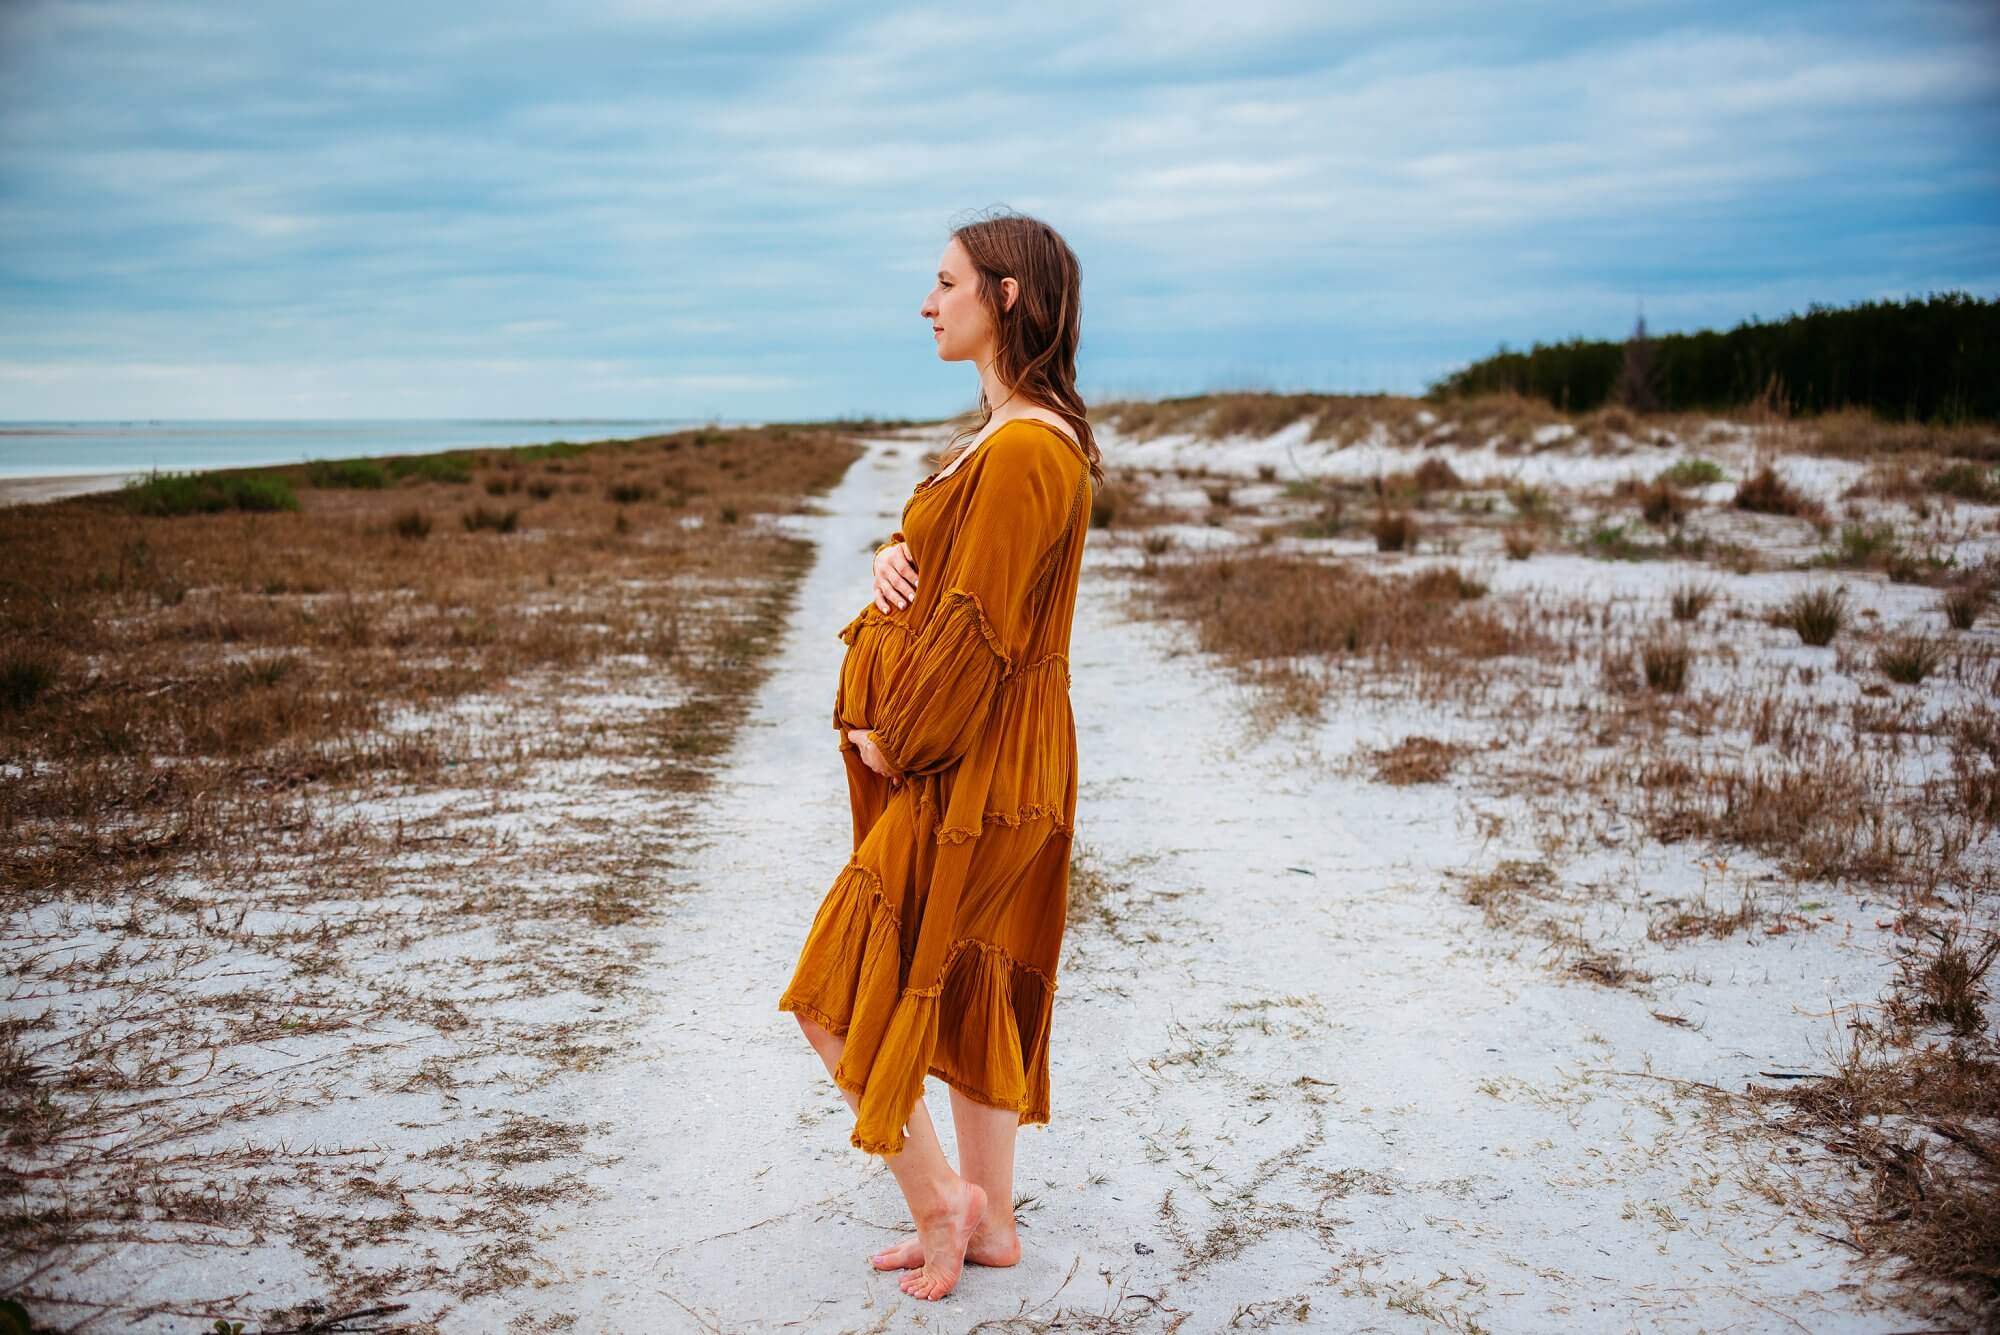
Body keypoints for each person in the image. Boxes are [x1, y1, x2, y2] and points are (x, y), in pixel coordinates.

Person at [776, 207, 1106, 1301]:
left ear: (1005, 296)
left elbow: (977, 631)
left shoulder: (1020, 449)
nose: (927, 302)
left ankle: (940, 1210)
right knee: (968, 980)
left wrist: (890, 737)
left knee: (830, 996)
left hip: (973, 765)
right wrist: (892, 550)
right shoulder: (1023, 437)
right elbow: (956, 573)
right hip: (1014, 760)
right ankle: (996, 1219)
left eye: (946, 282)